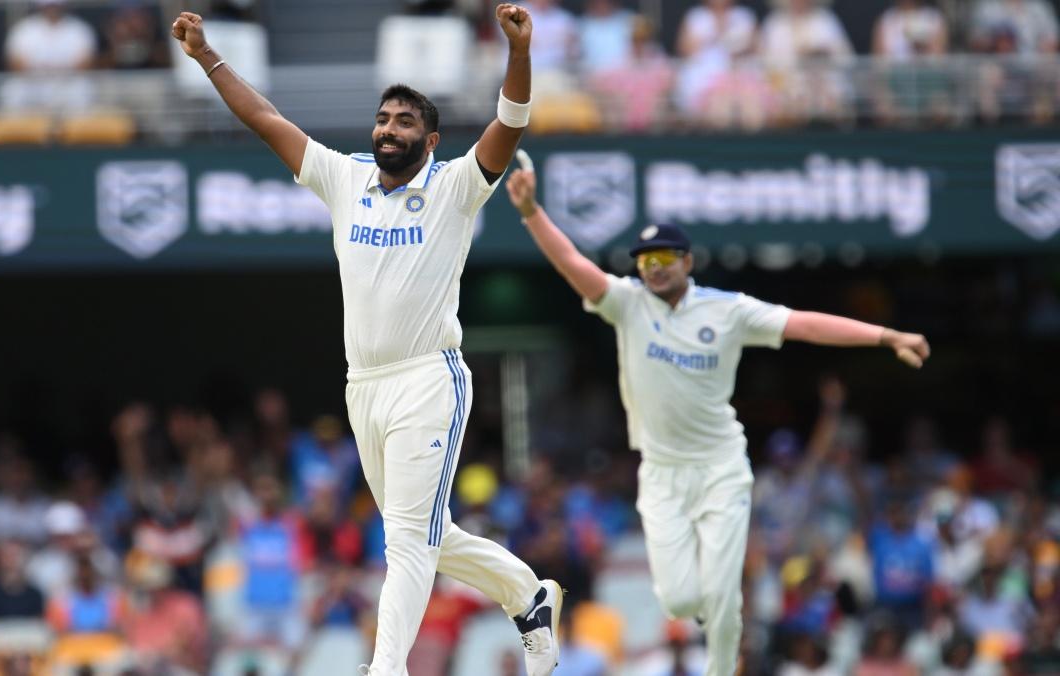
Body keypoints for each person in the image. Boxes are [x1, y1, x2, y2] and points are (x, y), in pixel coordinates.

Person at [170, 5, 562, 676]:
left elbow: (511, 123)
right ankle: (527, 595)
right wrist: (207, 55)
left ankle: (385, 669)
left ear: (431, 140)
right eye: (383, 118)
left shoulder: (456, 187)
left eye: (406, 121)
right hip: (364, 387)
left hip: (427, 378)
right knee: (424, 535)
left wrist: (518, 53)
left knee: (407, 542)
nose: (389, 129)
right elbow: (265, 119)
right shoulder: (344, 177)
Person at [504, 154, 930, 676]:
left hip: (722, 466)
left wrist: (886, 336)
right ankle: (711, 611)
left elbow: (806, 325)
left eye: (665, 257)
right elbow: (573, 263)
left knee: (724, 593)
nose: (654, 268)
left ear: (687, 261)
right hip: (661, 472)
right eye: (645, 260)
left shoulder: (727, 311)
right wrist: (530, 211)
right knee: (682, 601)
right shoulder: (626, 304)